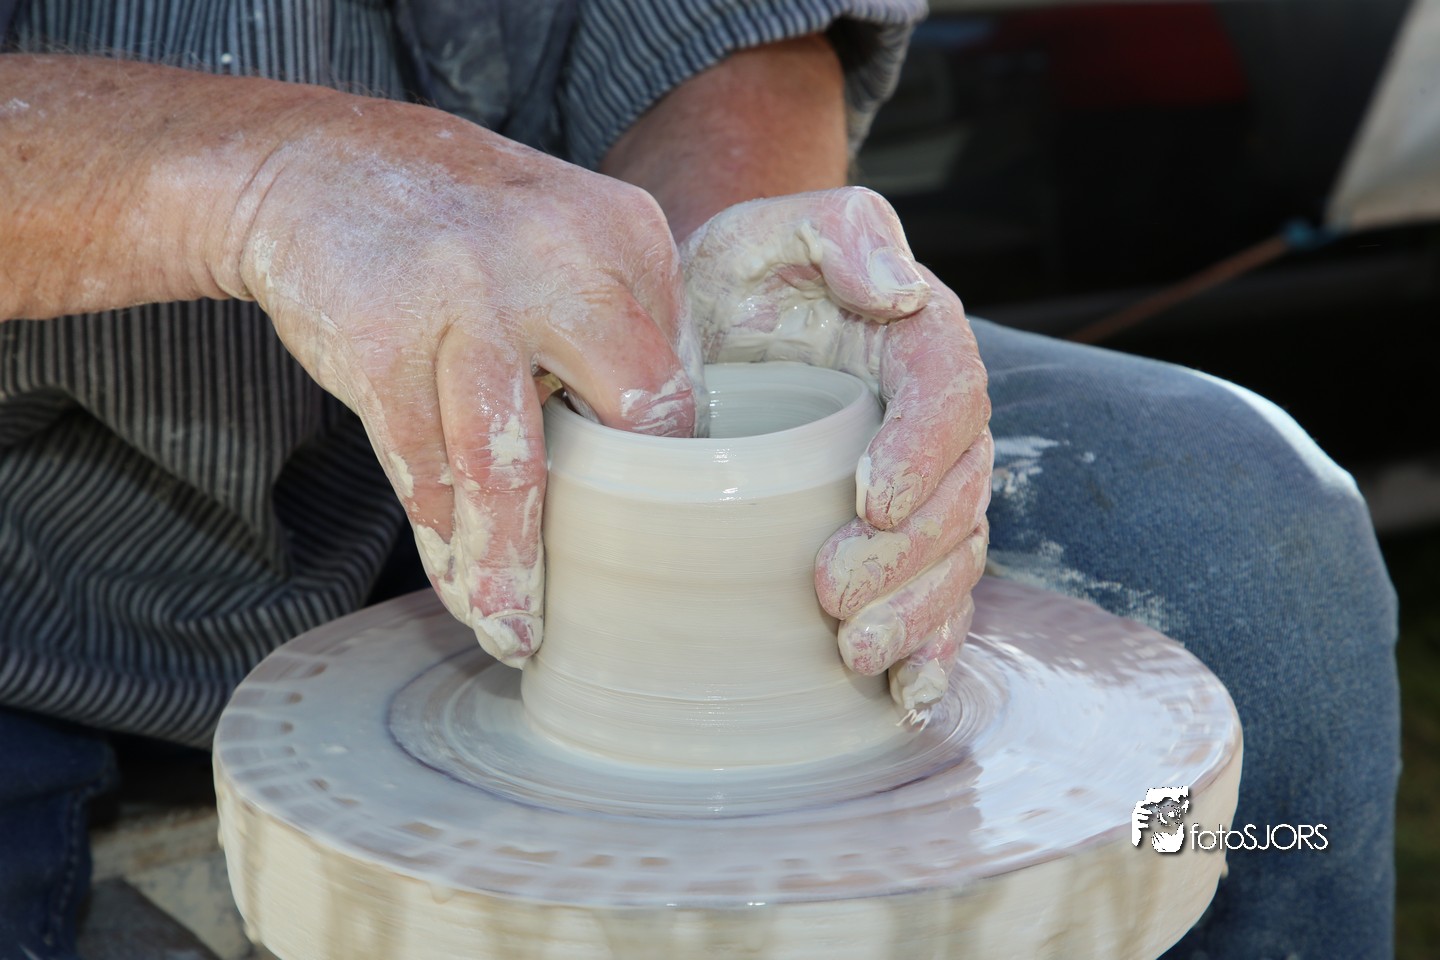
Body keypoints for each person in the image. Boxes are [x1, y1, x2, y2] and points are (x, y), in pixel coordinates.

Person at [0, 2, 1396, 959]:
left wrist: (711, 285)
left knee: (1248, 536)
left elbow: (735, 26)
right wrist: (259, 181)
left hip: (553, 414)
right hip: (38, 562)